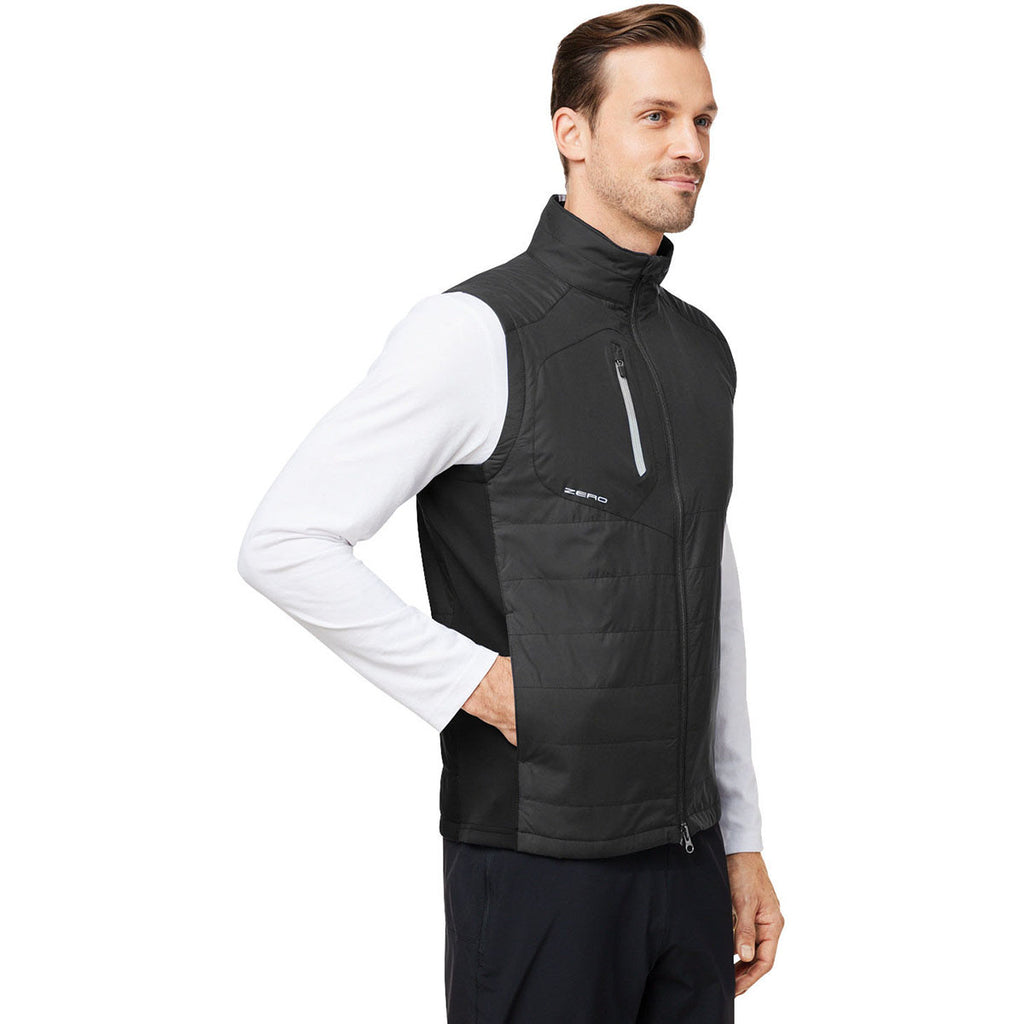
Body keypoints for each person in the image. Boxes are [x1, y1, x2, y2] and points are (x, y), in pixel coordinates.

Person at [237, 4, 784, 1020]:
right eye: (656, 116)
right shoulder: (473, 332)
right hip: (540, 861)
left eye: (703, 120)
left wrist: (740, 837)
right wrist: (477, 684)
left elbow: (712, 593)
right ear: (571, 132)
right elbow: (285, 541)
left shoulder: (700, 350)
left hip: (686, 861)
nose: (690, 146)